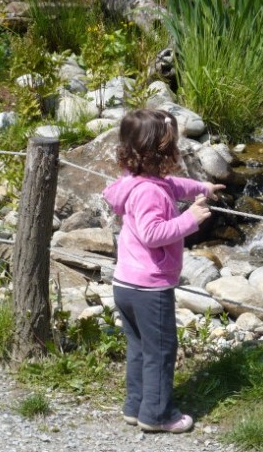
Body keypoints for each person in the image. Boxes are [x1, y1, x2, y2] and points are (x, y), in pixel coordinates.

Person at [103, 109, 225, 434]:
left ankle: (136, 406)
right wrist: (191, 220)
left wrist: (201, 188)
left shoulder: (136, 182)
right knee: (161, 351)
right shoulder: (150, 192)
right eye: (171, 146)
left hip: (126, 283)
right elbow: (152, 233)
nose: (176, 151)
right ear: (159, 152)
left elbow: (173, 185)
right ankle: (157, 415)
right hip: (149, 287)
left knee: (140, 348)